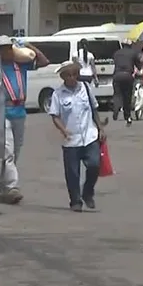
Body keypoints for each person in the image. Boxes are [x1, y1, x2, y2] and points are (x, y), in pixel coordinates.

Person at [0, 35, 50, 204]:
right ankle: (12, 187)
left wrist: (28, 45)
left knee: (16, 152)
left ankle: (3, 188)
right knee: (8, 151)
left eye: (8, 48)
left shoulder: (20, 65)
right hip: (3, 112)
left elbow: (44, 61)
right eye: (3, 49)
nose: (6, 51)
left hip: (20, 112)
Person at [48, 61, 105, 212]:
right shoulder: (58, 94)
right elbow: (54, 116)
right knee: (72, 173)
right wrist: (63, 130)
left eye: (74, 74)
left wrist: (100, 128)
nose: (72, 78)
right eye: (68, 75)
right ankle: (75, 201)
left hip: (89, 135)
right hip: (71, 140)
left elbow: (94, 109)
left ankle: (88, 192)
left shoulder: (85, 88)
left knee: (94, 165)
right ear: (63, 77)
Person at [112, 38, 142, 125]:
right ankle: (127, 115)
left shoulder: (116, 53)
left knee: (117, 94)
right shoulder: (133, 53)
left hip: (117, 75)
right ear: (130, 45)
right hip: (128, 75)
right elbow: (139, 66)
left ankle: (116, 107)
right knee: (127, 96)